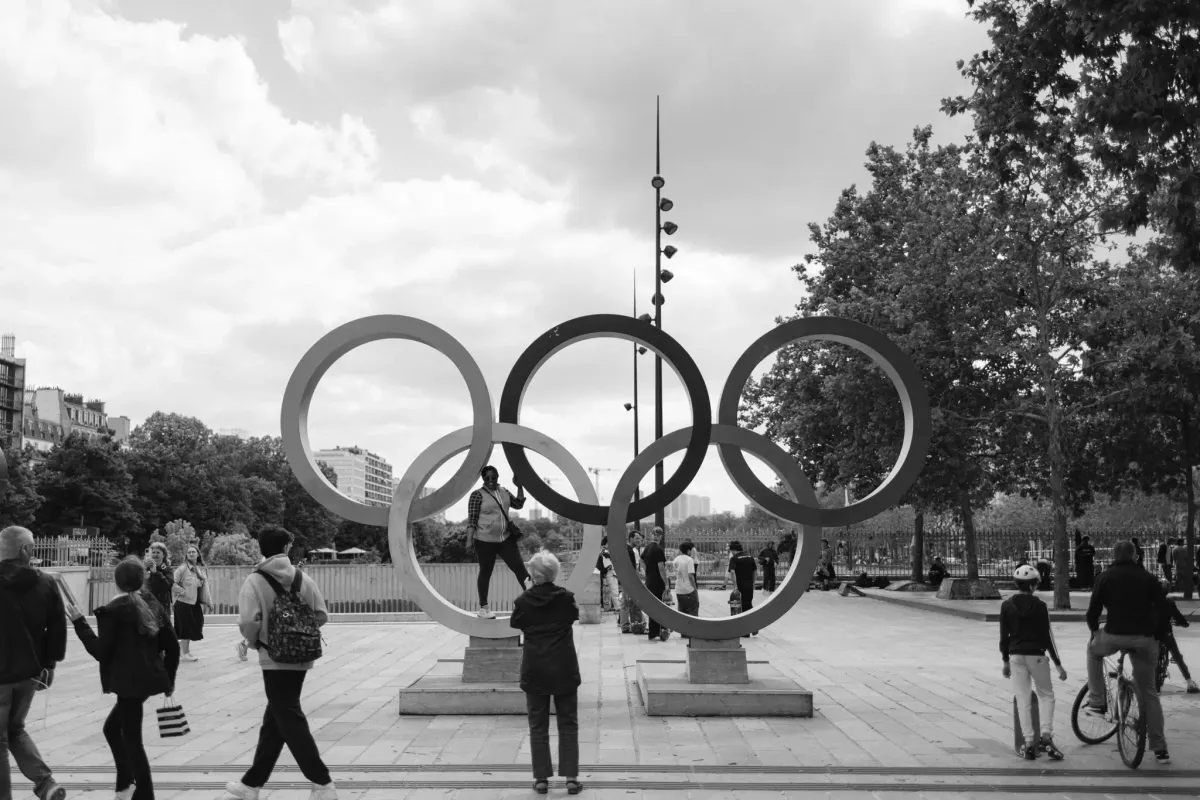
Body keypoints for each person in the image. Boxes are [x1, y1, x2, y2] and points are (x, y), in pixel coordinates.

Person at [222, 526, 336, 800]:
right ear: (286, 548)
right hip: (301, 657)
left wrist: (256, 641)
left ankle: (323, 783)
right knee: (275, 720)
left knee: (289, 718)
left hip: (272, 658)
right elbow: (321, 615)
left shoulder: (254, 581)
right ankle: (251, 784)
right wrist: (299, 631)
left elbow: (248, 620)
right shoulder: (303, 578)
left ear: (261, 548)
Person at [66, 556, 179, 800]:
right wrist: (169, 679)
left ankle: (144, 793)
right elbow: (173, 645)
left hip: (129, 684)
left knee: (132, 741)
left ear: (115, 582)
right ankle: (125, 783)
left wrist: (80, 624)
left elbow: (101, 652)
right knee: (112, 729)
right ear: (142, 580)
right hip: (146, 679)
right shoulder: (151, 603)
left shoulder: (114, 611)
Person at [1083, 540, 1171, 763]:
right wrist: (1157, 635)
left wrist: (1094, 630)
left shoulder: (1104, 577)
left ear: (1113, 555)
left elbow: (1093, 610)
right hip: (1144, 638)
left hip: (1114, 634)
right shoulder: (1149, 578)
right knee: (1149, 690)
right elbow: (1162, 610)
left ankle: (1097, 701)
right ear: (1135, 556)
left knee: (1093, 652)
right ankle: (1159, 747)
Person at [0, 526, 68, 800]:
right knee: (15, 729)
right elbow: (57, 628)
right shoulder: (46, 582)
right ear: (25, 550)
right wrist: (50, 664)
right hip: (30, 672)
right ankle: (45, 783)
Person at [509, 551, 582, 796]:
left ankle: (541, 779)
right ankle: (571, 779)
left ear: (532, 575)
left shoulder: (523, 601)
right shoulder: (566, 598)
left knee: (537, 724)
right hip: (564, 667)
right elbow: (573, 616)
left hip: (535, 669)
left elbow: (516, 623)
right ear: (555, 573)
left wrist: (528, 591)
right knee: (568, 723)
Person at [1000, 564, 1067, 761]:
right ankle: (1046, 736)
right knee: (1046, 695)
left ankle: (1028, 743)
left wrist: (1005, 661)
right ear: (1032, 586)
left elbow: (1003, 637)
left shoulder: (1006, 606)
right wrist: (1057, 663)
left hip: (1015, 656)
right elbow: (1047, 636)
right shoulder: (1040, 606)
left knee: (1023, 699)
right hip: (1037, 655)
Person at [465, 465, 531, 619]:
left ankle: (534, 601)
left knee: (520, 569)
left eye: (493, 477)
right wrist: (469, 541)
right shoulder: (477, 495)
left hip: (505, 539)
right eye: (487, 478)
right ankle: (484, 608)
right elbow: (472, 520)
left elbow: (518, 504)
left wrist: (519, 486)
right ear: (483, 479)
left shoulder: (504, 492)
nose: (490, 480)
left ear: (497, 477)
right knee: (485, 572)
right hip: (484, 541)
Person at [172, 545, 211, 662]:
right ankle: (185, 652)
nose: (191, 554)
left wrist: (209, 602)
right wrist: (183, 592)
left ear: (198, 554)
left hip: (194, 603)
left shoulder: (200, 569)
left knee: (196, 625)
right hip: (183, 602)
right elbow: (172, 583)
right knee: (186, 628)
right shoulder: (182, 569)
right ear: (186, 555)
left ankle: (183, 649)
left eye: (193, 552)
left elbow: (205, 587)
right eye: (189, 552)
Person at [1156, 595, 1198, 693]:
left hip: (1152, 635)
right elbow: (1178, 616)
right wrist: (1184, 623)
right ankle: (1189, 682)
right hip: (1166, 634)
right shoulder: (1168, 602)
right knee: (1177, 656)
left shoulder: (1148, 600)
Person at [641, 527, 668, 642]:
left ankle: (653, 632)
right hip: (657, 582)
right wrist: (666, 583)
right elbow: (661, 568)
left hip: (650, 580)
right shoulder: (658, 549)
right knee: (660, 606)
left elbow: (641, 560)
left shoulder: (647, 548)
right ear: (661, 536)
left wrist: (647, 570)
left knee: (652, 606)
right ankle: (660, 630)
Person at [727, 541, 758, 637]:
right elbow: (755, 571)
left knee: (742, 607)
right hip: (749, 584)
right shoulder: (750, 557)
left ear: (733, 550)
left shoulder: (734, 558)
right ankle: (753, 627)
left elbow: (732, 572)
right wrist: (753, 583)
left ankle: (746, 631)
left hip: (740, 585)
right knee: (748, 604)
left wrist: (735, 586)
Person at [672, 540, 699, 636]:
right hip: (689, 589)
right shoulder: (689, 560)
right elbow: (691, 576)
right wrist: (695, 588)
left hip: (678, 588)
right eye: (691, 550)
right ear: (688, 550)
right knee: (692, 610)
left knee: (682, 611)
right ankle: (691, 631)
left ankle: (683, 632)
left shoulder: (676, 559)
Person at [143, 543, 175, 613]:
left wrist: (156, 573)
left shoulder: (168, 569)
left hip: (163, 606)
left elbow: (167, 586)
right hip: (149, 605)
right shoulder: (146, 568)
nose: (155, 554)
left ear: (163, 555)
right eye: (153, 552)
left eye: (158, 552)